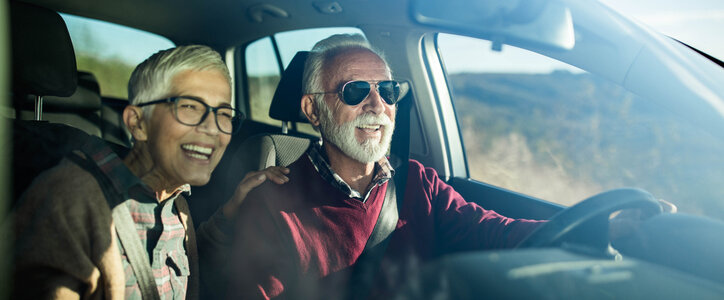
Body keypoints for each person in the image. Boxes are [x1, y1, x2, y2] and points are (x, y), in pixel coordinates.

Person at [226, 34, 545, 299]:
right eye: (355, 91)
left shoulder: (419, 182)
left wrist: (578, 233)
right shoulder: (271, 204)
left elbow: (494, 232)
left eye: (388, 91)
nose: (378, 105)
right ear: (313, 110)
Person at [10, 45, 288, 299]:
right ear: (138, 122)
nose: (213, 128)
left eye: (224, 114)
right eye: (190, 107)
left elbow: (184, 269)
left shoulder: (175, 203)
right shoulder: (70, 198)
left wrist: (233, 209)